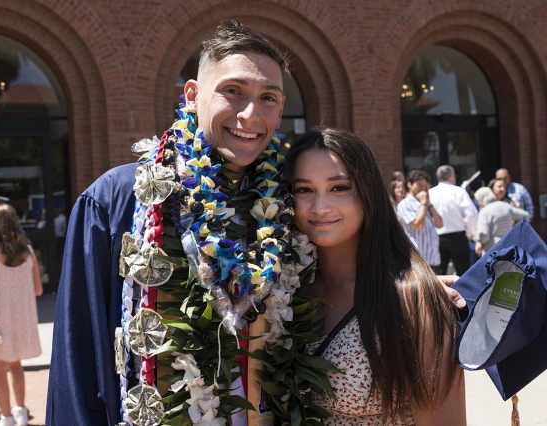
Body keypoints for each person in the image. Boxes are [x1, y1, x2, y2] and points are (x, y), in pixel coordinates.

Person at [46, 20, 466, 425]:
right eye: (232, 91)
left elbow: (353, 247)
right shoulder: (122, 199)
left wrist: (419, 288)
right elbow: (76, 366)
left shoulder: (285, 198)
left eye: (269, 97)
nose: (251, 114)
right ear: (192, 95)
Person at [286, 128, 465, 425]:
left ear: (368, 192)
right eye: (303, 190)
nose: (320, 207)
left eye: (339, 187)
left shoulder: (412, 299)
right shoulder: (285, 291)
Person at [0, 204, 43, 426]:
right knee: (16, 366)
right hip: (22, 318)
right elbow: (38, 289)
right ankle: (21, 413)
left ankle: (6, 417)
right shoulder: (29, 252)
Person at [429, 165, 478, 276]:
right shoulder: (458, 192)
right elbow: (471, 214)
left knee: (439, 275)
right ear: (451, 176)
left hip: (437, 238)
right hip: (458, 237)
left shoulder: (430, 193)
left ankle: (438, 294)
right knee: (463, 274)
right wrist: (470, 233)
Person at [397, 170, 443, 271]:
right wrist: (423, 203)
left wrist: (429, 204)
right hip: (418, 260)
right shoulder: (404, 204)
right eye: (419, 184)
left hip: (433, 258)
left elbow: (440, 224)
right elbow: (418, 225)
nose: (423, 188)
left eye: (425, 185)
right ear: (409, 184)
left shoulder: (426, 203)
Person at [473, 187, 530, 256]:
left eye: (478, 200)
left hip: (492, 250)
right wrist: (515, 227)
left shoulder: (484, 212)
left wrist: (476, 237)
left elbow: (484, 236)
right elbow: (526, 216)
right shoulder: (505, 206)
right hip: (509, 246)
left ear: (482, 199)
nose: (478, 203)